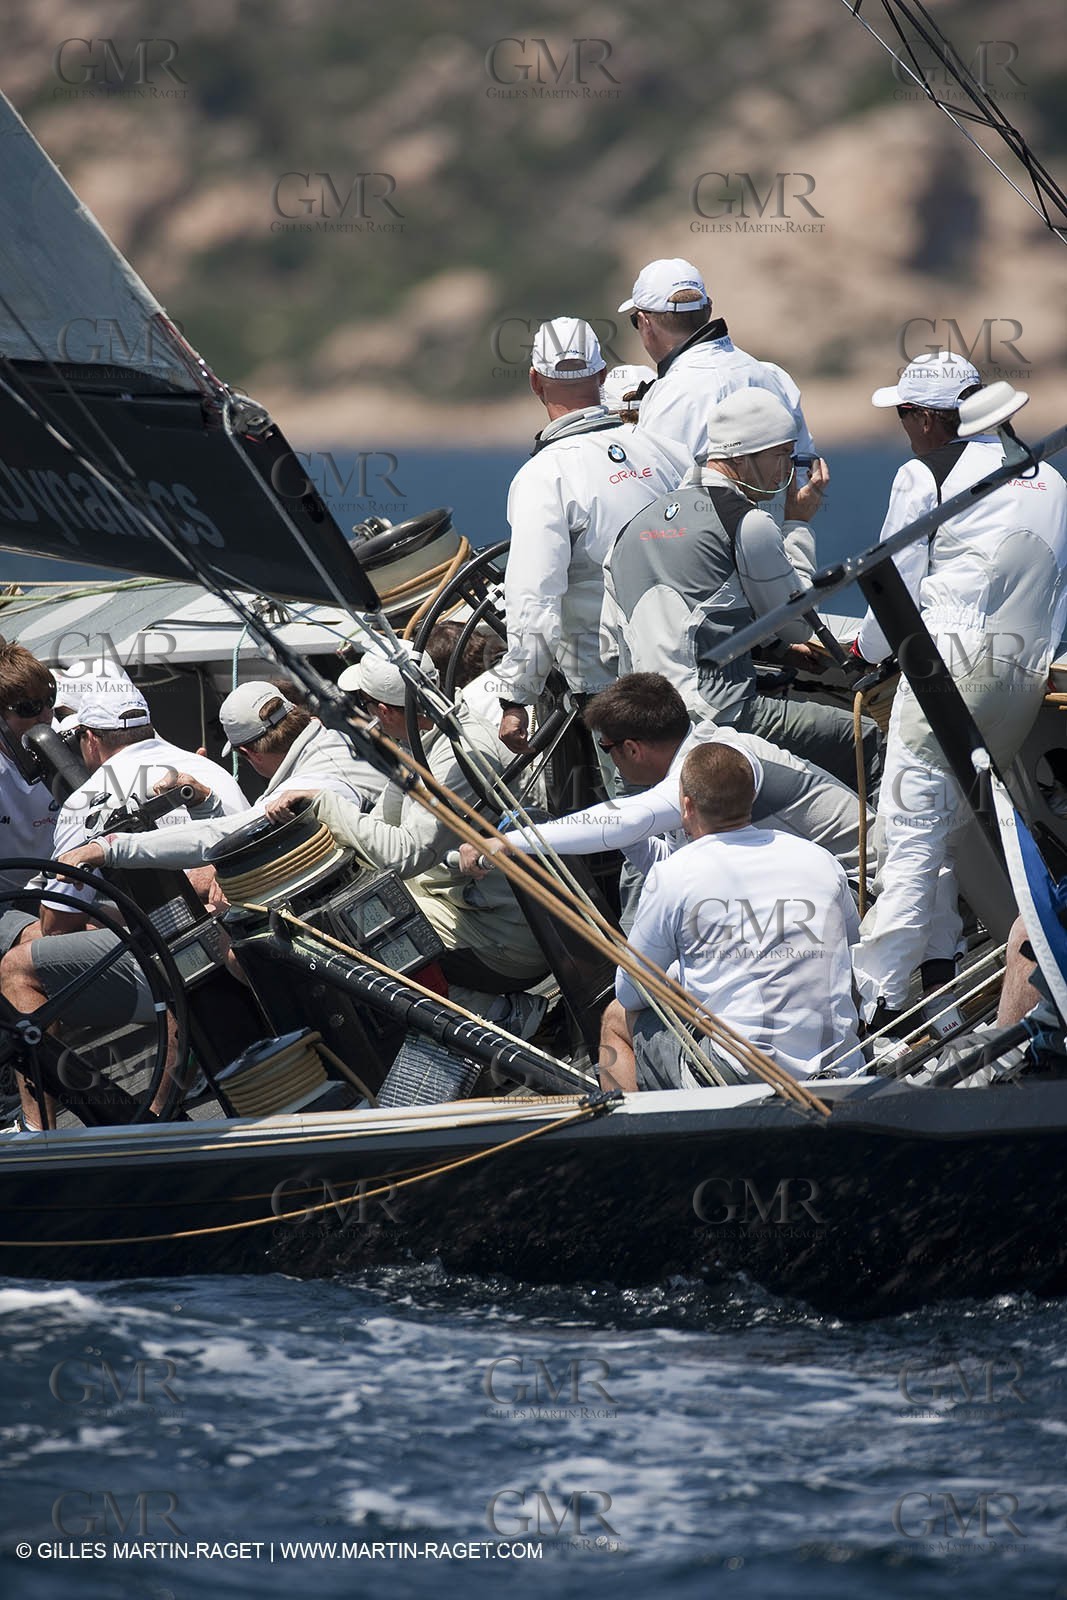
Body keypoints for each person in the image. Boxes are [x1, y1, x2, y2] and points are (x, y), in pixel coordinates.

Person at [850, 352, 1067, 1027]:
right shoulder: (1049, 478)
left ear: (928, 419)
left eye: (904, 414)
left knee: (907, 842)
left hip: (948, 672)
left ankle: (878, 1005)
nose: (901, 427)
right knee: (942, 838)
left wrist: (858, 652)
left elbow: (894, 585)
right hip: (1020, 683)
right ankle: (940, 999)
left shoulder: (924, 472)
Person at [606, 388, 878, 790]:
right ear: (741, 457)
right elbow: (798, 622)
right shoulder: (746, 522)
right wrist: (797, 523)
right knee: (868, 738)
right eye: (782, 455)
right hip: (723, 717)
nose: (787, 469)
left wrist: (771, 646)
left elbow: (610, 646)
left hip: (647, 728)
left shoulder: (630, 530)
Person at [1, 688, 250, 1128]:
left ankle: (37, 1132)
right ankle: (166, 1099)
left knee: (17, 967)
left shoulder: (86, 801)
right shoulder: (205, 767)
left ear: (91, 739)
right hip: (242, 945)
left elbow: (59, 926)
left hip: (180, 962)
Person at [264, 646, 549, 993]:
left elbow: (405, 855)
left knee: (352, 932)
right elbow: (384, 820)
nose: (366, 716)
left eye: (366, 706)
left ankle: (499, 1016)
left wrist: (324, 805)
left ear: (383, 709)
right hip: (476, 910)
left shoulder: (458, 754)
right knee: (347, 909)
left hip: (508, 940)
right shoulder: (425, 742)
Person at [599, 742, 860, 1090]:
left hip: (740, 1073)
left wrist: (680, 975)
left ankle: (642, 1140)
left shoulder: (672, 874)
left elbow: (631, 992)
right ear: (751, 797)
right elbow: (851, 952)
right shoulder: (818, 857)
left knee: (616, 1019)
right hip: (842, 1062)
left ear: (686, 806)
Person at [485, 316, 690, 754]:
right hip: (689, 667)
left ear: (535, 382)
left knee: (639, 814)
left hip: (615, 693)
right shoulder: (665, 451)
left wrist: (516, 696)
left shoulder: (544, 476)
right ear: (600, 375)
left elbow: (534, 601)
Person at [460, 673, 873, 889]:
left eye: (607, 749)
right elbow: (662, 861)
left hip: (870, 888)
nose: (612, 761)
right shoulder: (694, 762)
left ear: (633, 749)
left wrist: (503, 844)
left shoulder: (715, 761)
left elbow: (625, 820)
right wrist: (626, 836)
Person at [53, 680, 388, 877]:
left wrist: (109, 848)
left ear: (246, 754)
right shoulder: (351, 743)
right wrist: (205, 800)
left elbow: (223, 836)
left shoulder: (296, 794)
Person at [618, 257, 815, 464]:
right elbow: (805, 469)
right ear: (709, 308)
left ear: (643, 322)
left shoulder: (670, 395)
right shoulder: (774, 376)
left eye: (635, 321)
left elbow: (654, 484)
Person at [0, 642, 64, 901]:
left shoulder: (71, 743)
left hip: (64, 889)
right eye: (29, 708)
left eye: (50, 701)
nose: (46, 715)